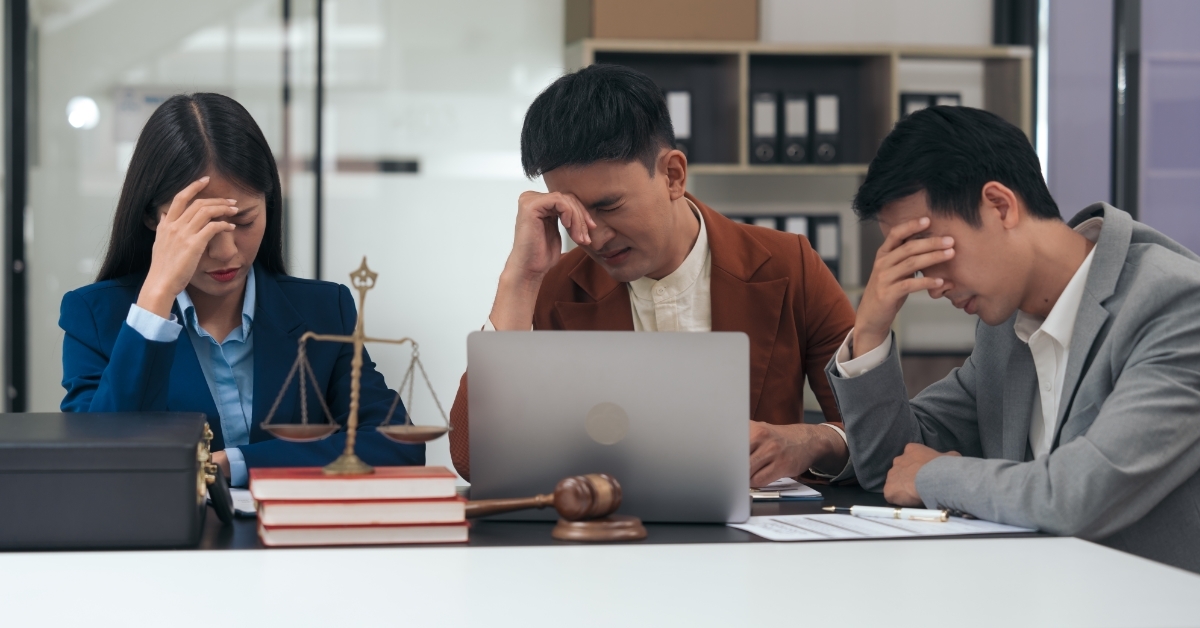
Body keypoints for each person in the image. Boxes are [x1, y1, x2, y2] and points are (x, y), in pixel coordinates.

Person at [826, 105, 1200, 572]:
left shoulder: (1177, 305)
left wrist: (936, 475)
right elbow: (896, 465)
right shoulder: (1004, 329)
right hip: (1035, 591)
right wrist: (870, 331)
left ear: (1000, 206)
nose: (932, 285)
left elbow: (1077, 495)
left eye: (932, 250)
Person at [449, 64, 857, 486]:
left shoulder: (788, 265)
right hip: (611, 524)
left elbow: (877, 437)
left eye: (609, 206)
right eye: (570, 213)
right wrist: (520, 280)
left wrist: (811, 440)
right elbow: (475, 461)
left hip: (761, 524)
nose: (592, 236)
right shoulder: (555, 288)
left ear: (673, 175)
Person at [60, 93, 423, 486]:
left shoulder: (323, 310)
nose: (226, 252)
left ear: (269, 205)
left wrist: (236, 463)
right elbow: (94, 465)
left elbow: (397, 446)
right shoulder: (95, 317)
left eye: (245, 221)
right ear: (152, 217)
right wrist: (155, 299)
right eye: (201, 226)